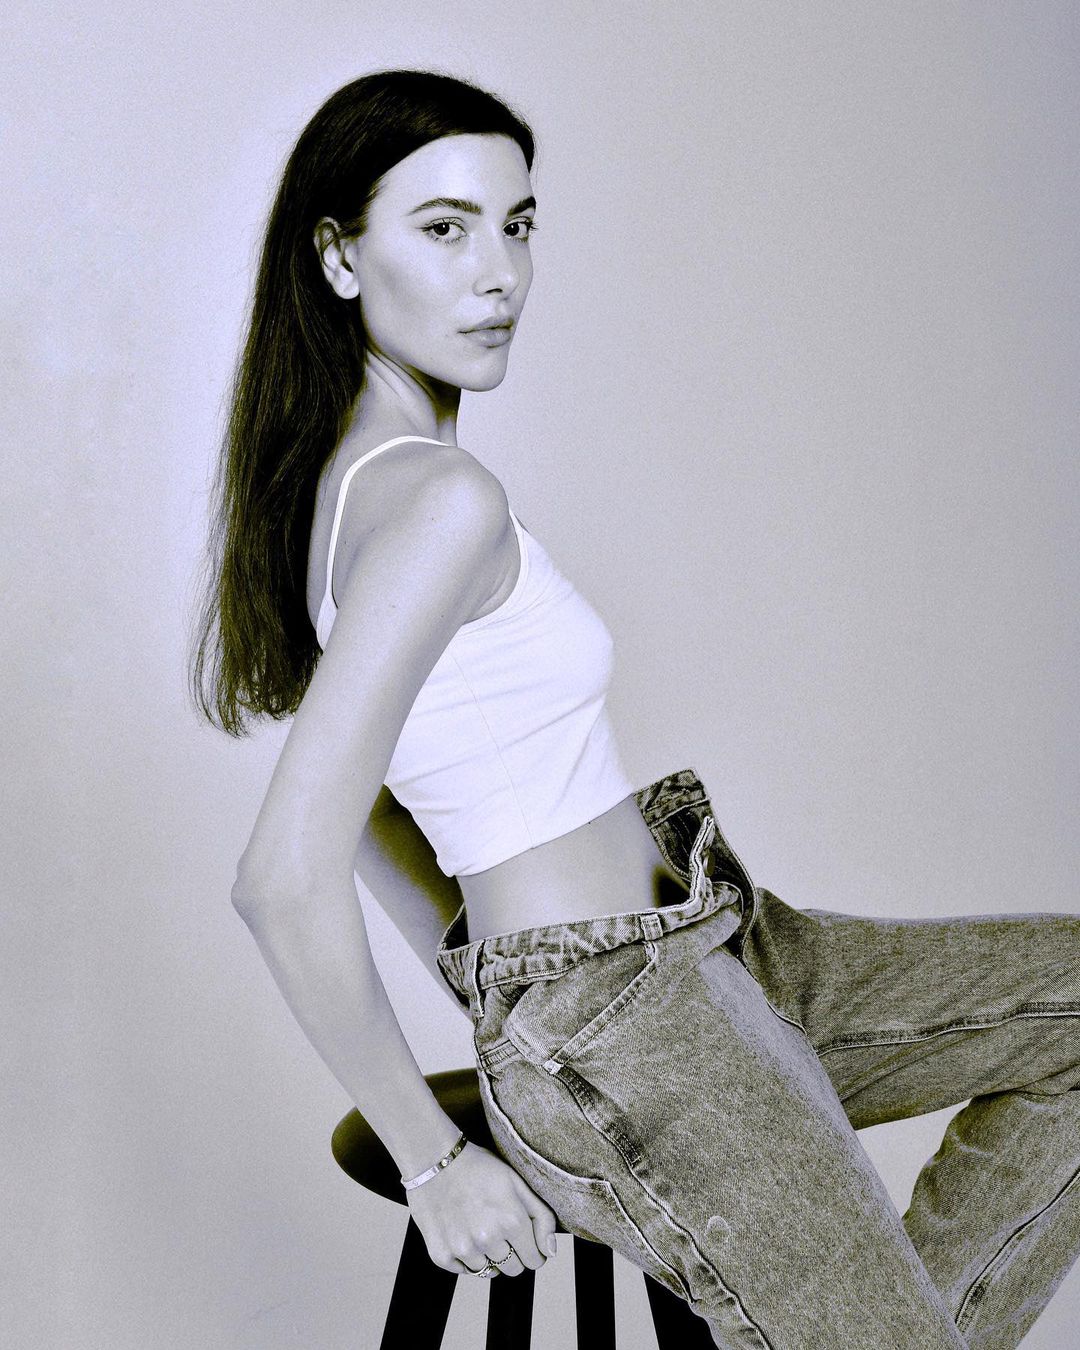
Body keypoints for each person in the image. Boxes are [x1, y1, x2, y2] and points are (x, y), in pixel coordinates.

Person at [190, 68, 1080, 1347]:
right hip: (635, 1023)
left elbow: (378, 799)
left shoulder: (356, 493)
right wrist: (436, 1161)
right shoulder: (438, 505)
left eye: (518, 225)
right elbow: (281, 877)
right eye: (444, 229)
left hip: (712, 948)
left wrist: (503, 987)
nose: (499, 274)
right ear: (337, 257)